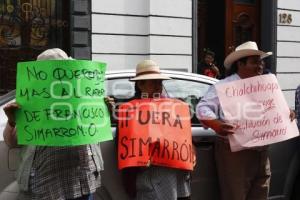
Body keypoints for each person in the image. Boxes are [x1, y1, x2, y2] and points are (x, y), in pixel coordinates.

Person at [196, 41, 295, 200]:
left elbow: (273, 108)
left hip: (261, 153)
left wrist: (287, 112)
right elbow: (202, 108)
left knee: (261, 193)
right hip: (235, 153)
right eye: (255, 62)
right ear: (240, 64)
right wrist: (217, 124)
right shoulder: (226, 86)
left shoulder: (266, 85)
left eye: (261, 61)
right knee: (235, 195)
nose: (260, 66)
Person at [3, 48, 103, 200]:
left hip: (81, 180)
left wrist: (104, 112)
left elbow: (94, 131)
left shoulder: (81, 96)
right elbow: (12, 142)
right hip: (46, 183)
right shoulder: (30, 100)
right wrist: (11, 121)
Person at [107, 60, 192, 200]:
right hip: (150, 175)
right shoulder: (130, 110)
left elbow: (184, 138)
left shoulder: (173, 108)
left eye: (160, 82)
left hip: (176, 175)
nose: (158, 86)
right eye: (153, 82)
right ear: (140, 85)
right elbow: (124, 145)